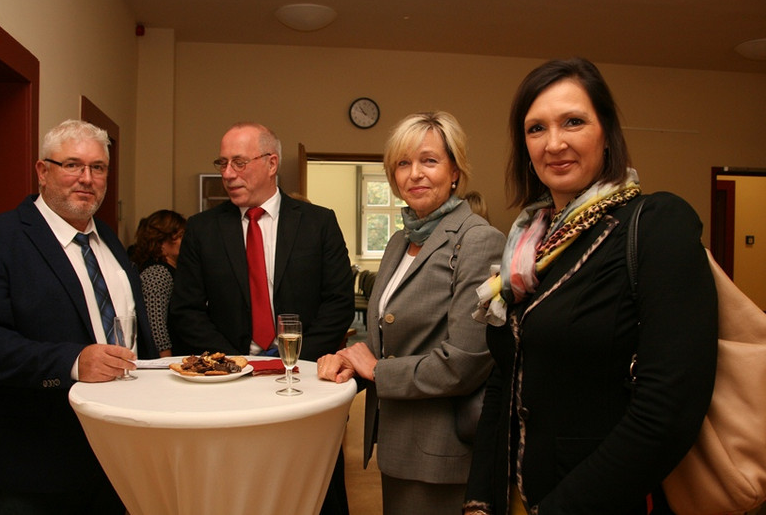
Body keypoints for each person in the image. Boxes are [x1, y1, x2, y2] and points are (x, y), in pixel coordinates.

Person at [463, 58, 717, 514]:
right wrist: (479, 498)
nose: (554, 143)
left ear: (606, 133)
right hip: (515, 493)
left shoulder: (657, 225)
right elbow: (504, 378)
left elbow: (668, 411)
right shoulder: (525, 246)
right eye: (536, 129)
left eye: (573, 122)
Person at [317, 111, 506, 514]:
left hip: (441, 452)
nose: (415, 174)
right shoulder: (401, 241)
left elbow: (466, 362)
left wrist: (377, 371)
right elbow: (390, 336)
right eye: (403, 163)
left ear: (455, 170)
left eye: (429, 161)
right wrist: (353, 361)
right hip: (396, 443)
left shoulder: (479, 241)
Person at [0, 119, 158, 514]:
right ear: (42, 171)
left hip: (120, 459)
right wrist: (71, 362)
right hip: (36, 466)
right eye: (72, 164)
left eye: (98, 167)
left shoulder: (109, 242)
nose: (86, 178)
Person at [169, 121, 354, 514]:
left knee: (313, 486)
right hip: (228, 382)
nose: (228, 174)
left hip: (304, 379)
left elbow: (338, 303)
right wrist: (237, 363)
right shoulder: (202, 229)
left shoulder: (319, 223)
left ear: (272, 163)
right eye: (222, 163)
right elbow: (184, 312)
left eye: (239, 162)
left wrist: (300, 361)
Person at [129, 209, 187, 356]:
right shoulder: (157, 273)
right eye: (180, 236)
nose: (185, 240)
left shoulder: (174, 269)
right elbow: (156, 327)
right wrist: (165, 362)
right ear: (161, 241)